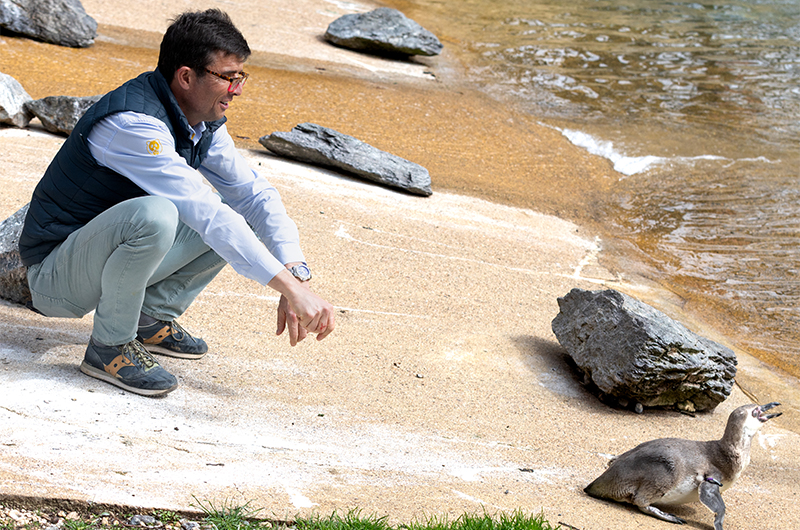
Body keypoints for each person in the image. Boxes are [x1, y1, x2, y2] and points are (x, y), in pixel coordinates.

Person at [18, 8, 335, 397]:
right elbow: (204, 212)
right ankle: (109, 348)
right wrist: (287, 288)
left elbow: (255, 196)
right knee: (156, 215)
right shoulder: (134, 123)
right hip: (55, 277)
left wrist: (295, 275)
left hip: (104, 261)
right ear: (186, 77)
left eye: (241, 77)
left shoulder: (202, 122)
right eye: (227, 77)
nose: (237, 89)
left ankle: (150, 319)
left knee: (238, 210)